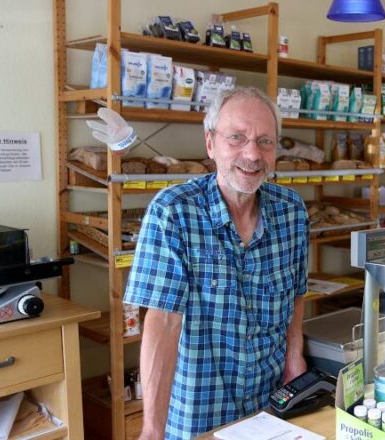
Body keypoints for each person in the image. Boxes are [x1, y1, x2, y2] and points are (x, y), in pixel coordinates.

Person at [123, 87, 309, 440]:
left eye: (265, 141)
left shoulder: (292, 211)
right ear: (210, 143)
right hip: (198, 415)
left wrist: (294, 355)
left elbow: (296, 294)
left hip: (270, 409)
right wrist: (151, 429)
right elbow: (162, 323)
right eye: (237, 138)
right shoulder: (173, 212)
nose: (252, 154)